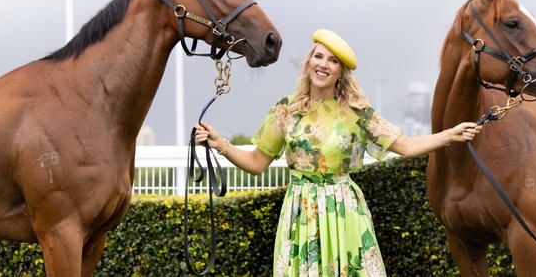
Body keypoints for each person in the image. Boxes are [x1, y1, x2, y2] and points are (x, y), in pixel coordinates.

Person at [195, 29, 481, 277]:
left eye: (333, 61)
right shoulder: (286, 110)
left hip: (344, 211)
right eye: (319, 57)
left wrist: (449, 135)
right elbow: (257, 162)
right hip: (300, 214)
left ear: (340, 72)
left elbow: (404, 145)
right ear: (309, 62)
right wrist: (222, 144)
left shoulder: (356, 112)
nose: (324, 65)